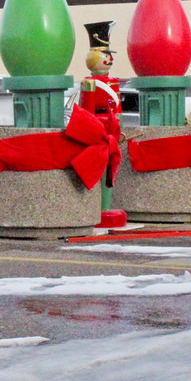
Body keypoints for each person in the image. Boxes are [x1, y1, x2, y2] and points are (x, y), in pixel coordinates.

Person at [78, 21, 125, 227]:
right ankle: (97, 208)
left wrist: (118, 124)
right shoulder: (90, 83)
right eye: (106, 56)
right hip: (99, 130)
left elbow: (116, 107)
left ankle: (105, 207)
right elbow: (86, 110)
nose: (110, 59)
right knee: (98, 168)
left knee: (111, 169)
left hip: (112, 129)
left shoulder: (113, 82)